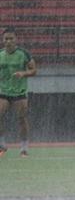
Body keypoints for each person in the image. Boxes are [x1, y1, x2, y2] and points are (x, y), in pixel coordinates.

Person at [0, 27, 37, 157]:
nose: (8, 41)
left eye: (11, 38)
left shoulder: (24, 54)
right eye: (6, 39)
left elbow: (34, 71)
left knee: (22, 118)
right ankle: (2, 145)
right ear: (2, 40)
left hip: (19, 92)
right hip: (3, 91)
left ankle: (24, 147)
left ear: (16, 40)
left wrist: (23, 73)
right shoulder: (0, 54)